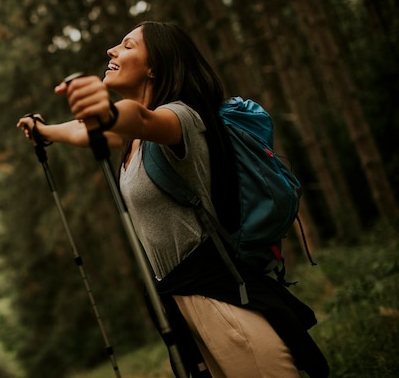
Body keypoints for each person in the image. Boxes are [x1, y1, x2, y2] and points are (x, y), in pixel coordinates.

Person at [17, 21, 328, 378]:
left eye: (128, 45)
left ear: (155, 66)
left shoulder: (180, 118)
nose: (111, 51)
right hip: (184, 303)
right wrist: (43, 131)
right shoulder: (132, 140)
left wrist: (108, 112)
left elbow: (140, 117)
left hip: (220, 298)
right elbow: (84, 129)